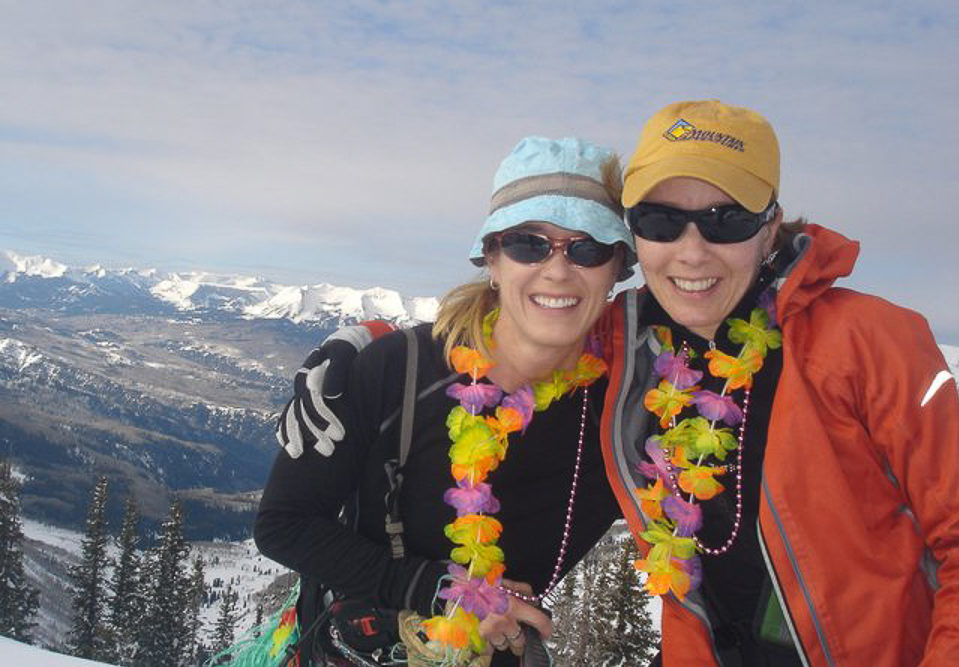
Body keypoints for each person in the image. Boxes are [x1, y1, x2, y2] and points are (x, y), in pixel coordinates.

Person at [598, 100, 959, 666]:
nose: (692, 252)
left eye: (727, 220)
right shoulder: (627, 356)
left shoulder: (868, 340)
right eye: (661, 220)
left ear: (770, 227)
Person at [255, 136, 637, 666]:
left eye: (588, 247)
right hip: (361, 651)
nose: (558, 269)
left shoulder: (623, 404)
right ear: (492, 258)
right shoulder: (396, 368)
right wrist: (439, 589)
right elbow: (285, 524)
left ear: (618, 269)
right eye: (529, 242)